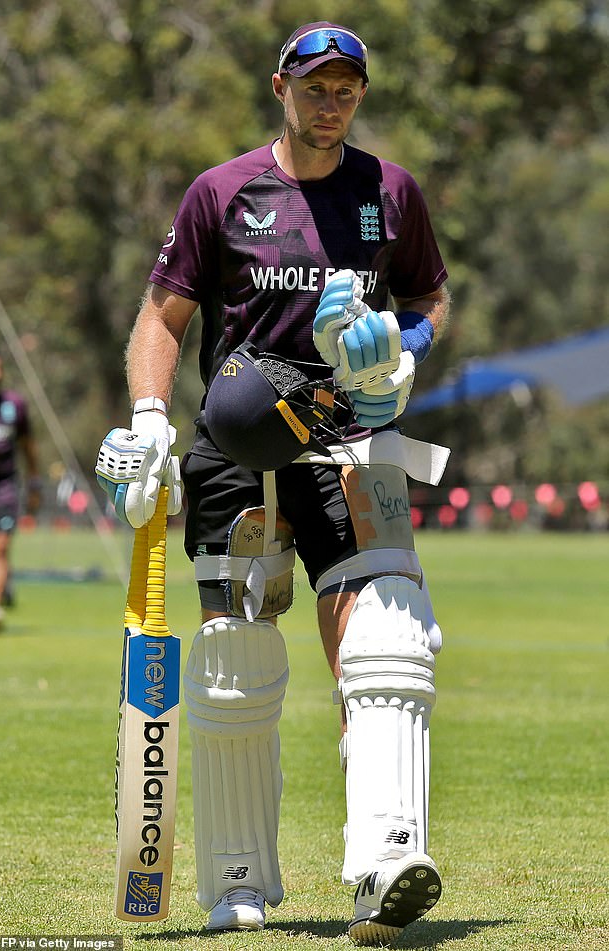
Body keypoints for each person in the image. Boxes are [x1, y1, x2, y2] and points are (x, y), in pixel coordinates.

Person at [97, 21, 451, 946]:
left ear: (360, 95)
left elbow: (429, 300)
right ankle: (238, 881)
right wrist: (147, 418)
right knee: (233, 664)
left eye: (347, 87)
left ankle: (386, 859)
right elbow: (162, 319)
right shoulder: (223, 192)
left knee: (388, 638)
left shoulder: (390, 191)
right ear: (281, 86)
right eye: (314, 84)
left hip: (353, 435)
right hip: (236, 443)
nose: (330, 101)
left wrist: (404, 356)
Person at [0, 347, 41, 630]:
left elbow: (28, 447)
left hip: (2, 489)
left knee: (0, 547)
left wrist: (35, 482)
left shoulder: (14, 405)